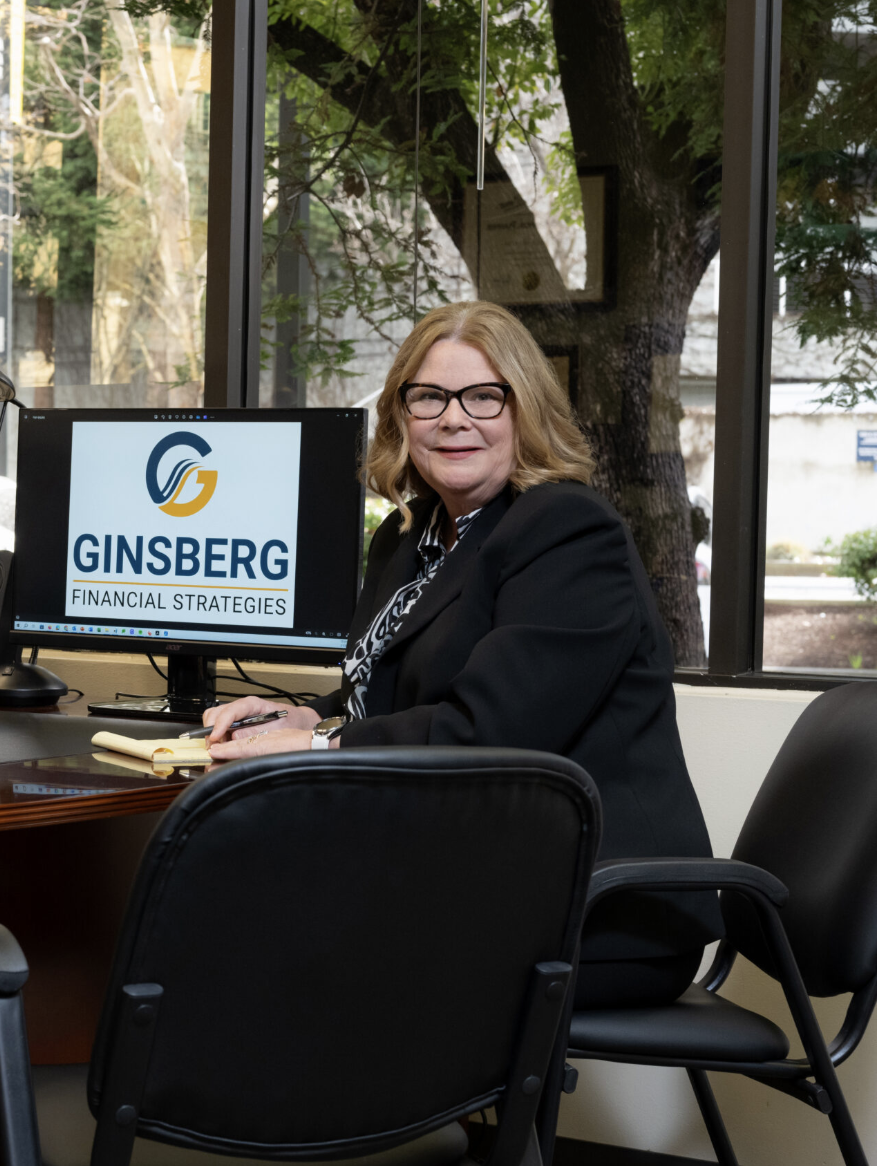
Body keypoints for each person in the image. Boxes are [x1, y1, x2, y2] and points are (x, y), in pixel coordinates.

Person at [201, 301, 717, 1009]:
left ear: (524, 410)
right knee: (235, 902)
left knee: (271, 934)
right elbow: (392, 693)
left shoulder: (567, 531)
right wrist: (297, 714)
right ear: (401, 417)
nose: (453, 418)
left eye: (483, 396)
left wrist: (318, 741)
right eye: (429, 398)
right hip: (472, 873)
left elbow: (490, 732)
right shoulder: (412, 537)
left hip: (594, 908)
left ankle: (302, 1117)